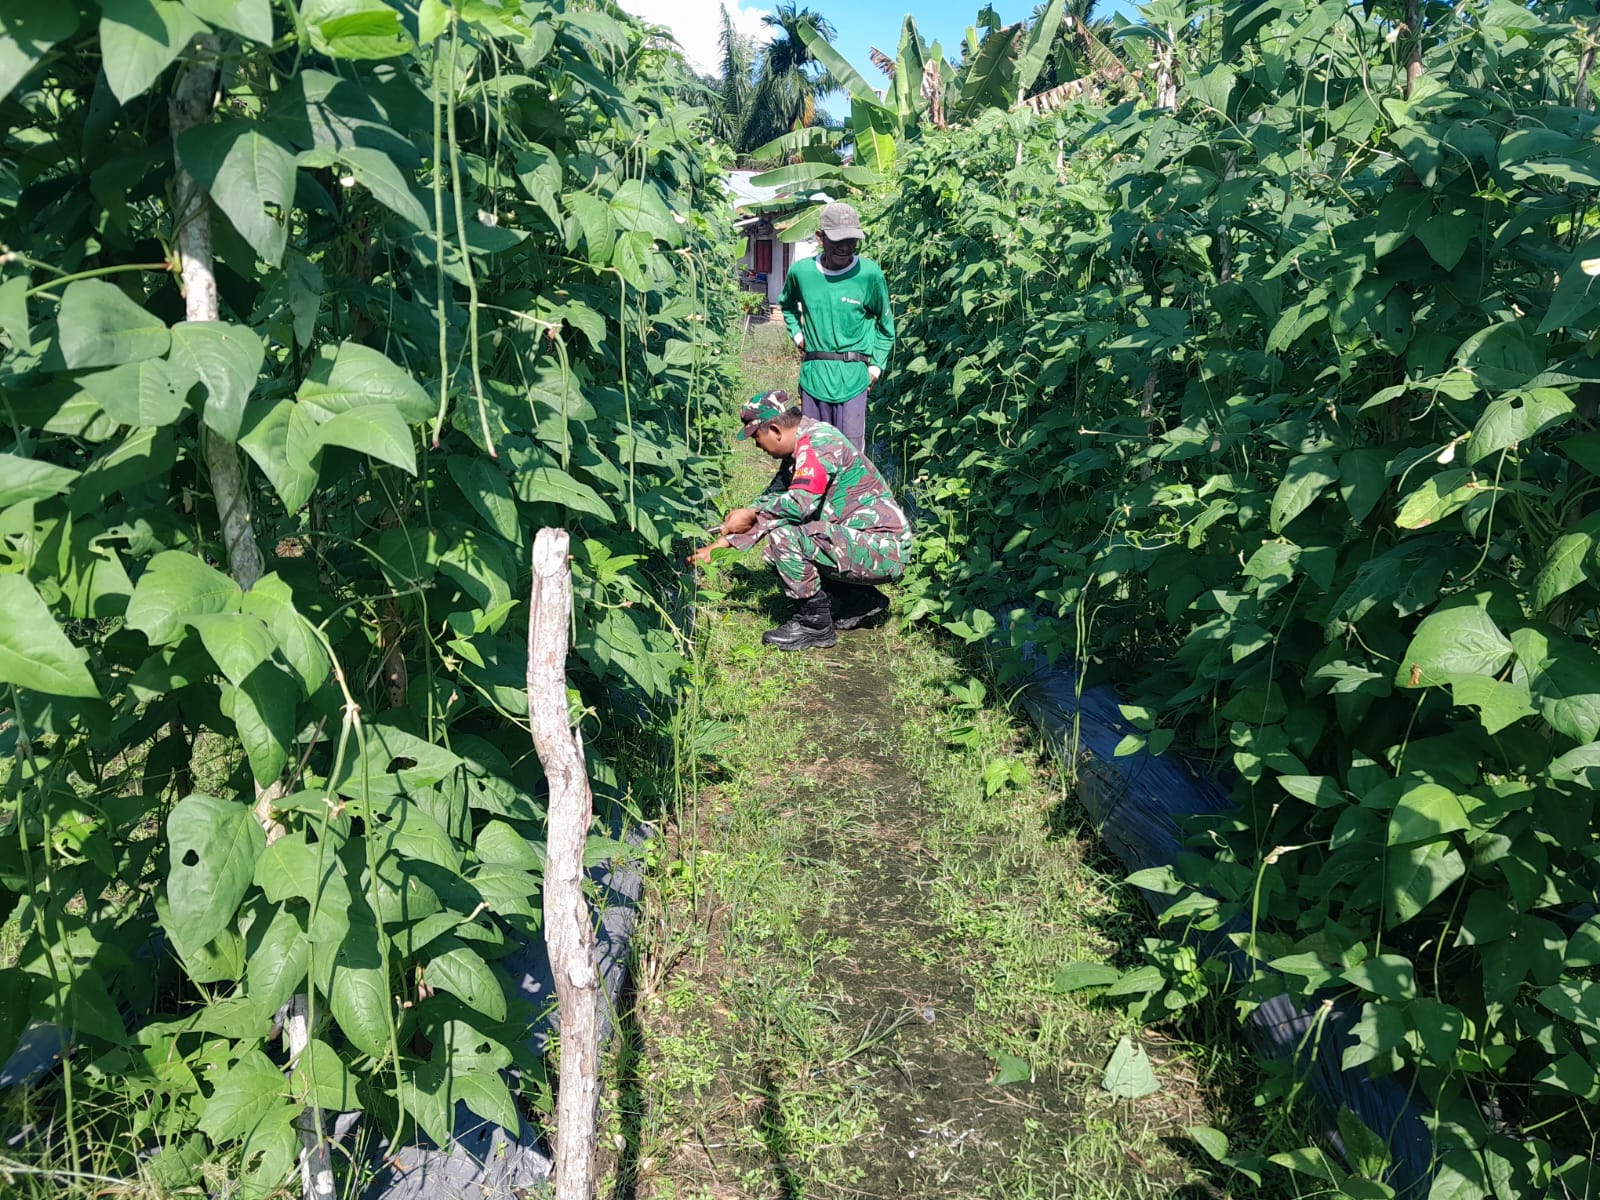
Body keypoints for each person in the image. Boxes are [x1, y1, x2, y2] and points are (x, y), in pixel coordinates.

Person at [688, 393, 911, 651]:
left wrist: (753, 517)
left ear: (775, 430)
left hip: (883, 549)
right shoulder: (800, 449)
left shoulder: (819, 443)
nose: (757, 446)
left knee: (785, 538)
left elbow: (797, 504)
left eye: (756, 438)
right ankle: (856, 599)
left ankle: (814, 625)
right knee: (781, 545)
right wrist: (720, 544)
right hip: (863, 544)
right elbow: (771, 499)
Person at [778, 201, 895, 454]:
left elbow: (886, 328)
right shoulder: (802, 273)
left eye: (852, 239)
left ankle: (847, 495)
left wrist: (875, 368)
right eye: (838, 239)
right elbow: (786, 305)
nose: (846, 247)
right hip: (814, 377)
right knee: (814, 452)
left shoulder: (869, 274)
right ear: (820, 237)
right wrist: (798, 336)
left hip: (853, 378)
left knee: (850, 457)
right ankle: (815, 495)